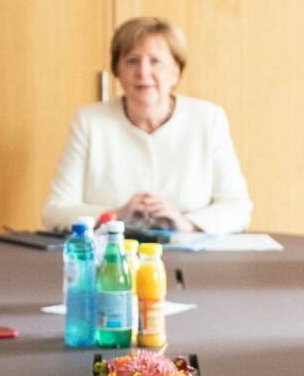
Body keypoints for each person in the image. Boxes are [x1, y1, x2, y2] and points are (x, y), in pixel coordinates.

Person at [42, 16, 252, 233]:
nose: (143, 72)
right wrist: (115, 215)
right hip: (112, 257)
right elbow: (55, 210)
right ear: (117, 71)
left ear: (176, 71)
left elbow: (238, 208)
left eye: (155, 61)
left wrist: (185, 222)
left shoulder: (208, 119)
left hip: (189, 257)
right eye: (132, 60)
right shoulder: (89, 121)